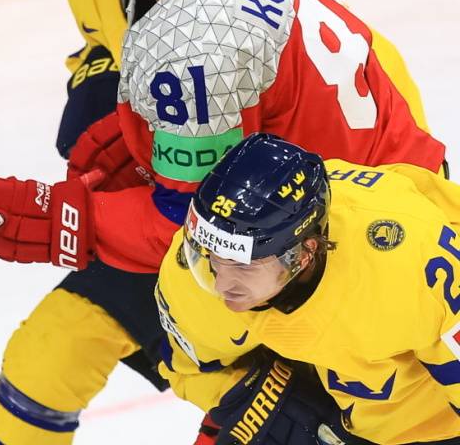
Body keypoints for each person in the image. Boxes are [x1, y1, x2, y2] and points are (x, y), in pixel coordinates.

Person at [0, 0, 448, 443]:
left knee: (266, 418)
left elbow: (193, 224)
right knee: (52, 350)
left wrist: (68, 219)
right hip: (304, 182)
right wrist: (126, 115)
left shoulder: (200, 51)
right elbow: (107, 44)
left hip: (326, 247)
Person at [156, 133, 460, 444]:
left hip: (433, 415)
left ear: (303, 254)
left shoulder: (409, 265)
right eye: (210, 258)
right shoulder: (193, 272)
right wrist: (254, 400)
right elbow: (188, 371)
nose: (221, 284)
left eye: (243, 265)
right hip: (329, 385)